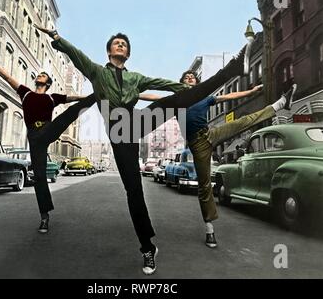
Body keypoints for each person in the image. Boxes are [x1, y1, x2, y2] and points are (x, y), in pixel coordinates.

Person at [34, 25, 246, 275]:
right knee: (133, 190)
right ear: (109, 50)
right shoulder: (97, 72)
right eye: (117, 43)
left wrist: (187, 89)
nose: (121, 45)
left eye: (124, 43)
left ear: (129, 54)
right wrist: (57, 38)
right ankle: (148, 247)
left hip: (135, 122)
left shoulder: (136, 78)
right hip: (119, 132)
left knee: (174, 100)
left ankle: (231, 68)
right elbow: (76, 54)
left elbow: (165, 84)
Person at [147, 69, 297, 249]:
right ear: (181, 82)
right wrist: (133, 94)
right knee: (204, 186)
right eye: (186, 77)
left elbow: (229, 96)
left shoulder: (205, 97)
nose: (189, 78)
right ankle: (209, 230)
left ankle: (280, 104)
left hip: (211, 133)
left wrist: (252, 91)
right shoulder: (177, 99)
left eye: (192, 77)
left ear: (197, 82)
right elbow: (154, 97)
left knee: (244, 122)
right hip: (198, 144)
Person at [0, 54, 96, 234]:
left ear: (48, 83)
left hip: (48, 130)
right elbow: (9, 78)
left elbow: (72, 98)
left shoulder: (52, 98)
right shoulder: (26, 93)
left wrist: (90, 97)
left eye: (44, 75)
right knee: (40, 177)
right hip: (35, 138)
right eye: (40, 75)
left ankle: (99, 95)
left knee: (70, 113)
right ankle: (44, 217)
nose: (40, 75)